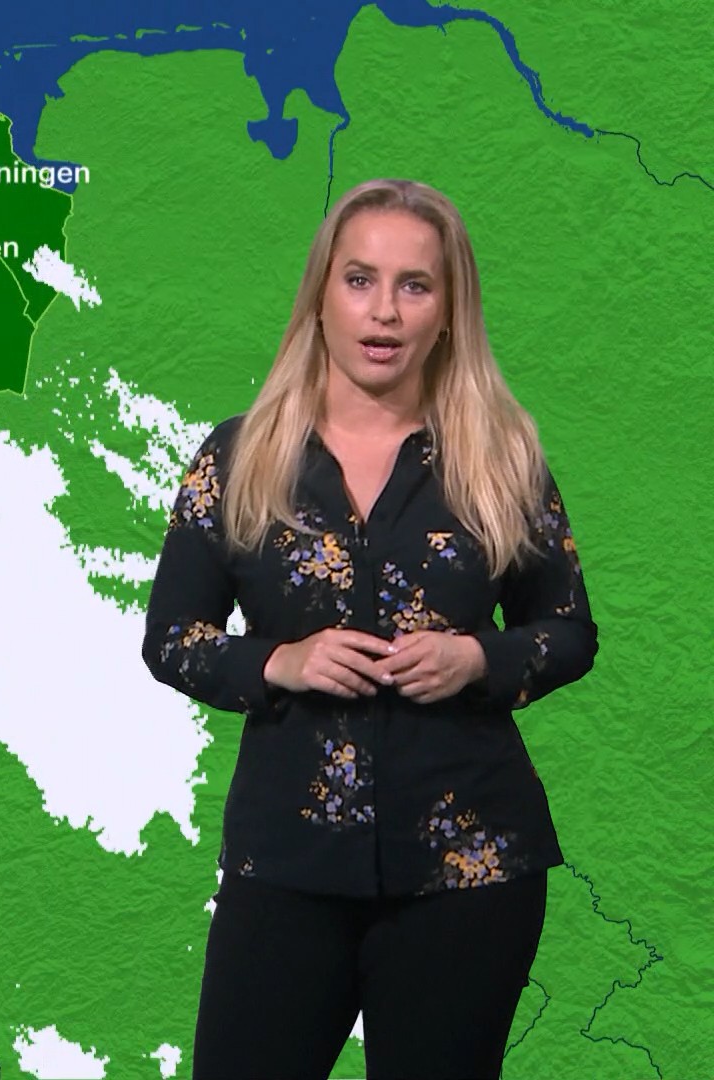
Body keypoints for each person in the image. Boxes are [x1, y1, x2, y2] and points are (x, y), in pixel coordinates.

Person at [141, 177, 598, 1080]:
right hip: (287, 861)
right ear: (320, 297)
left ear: (449, 312)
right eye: (360, 280)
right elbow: (171, 638)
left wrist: (477, 657)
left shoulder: (502, 457)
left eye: (414, 286)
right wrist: (279, 663)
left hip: (469, 871)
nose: (384, 311)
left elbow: (569, 631)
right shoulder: (238, 457)